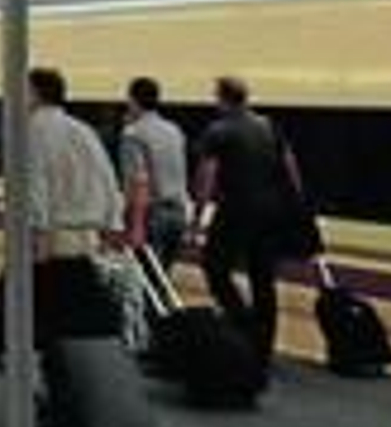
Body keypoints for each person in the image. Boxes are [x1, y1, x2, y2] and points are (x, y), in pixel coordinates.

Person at [192, 75, 305, 369]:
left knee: (215, 268)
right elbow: (291, 168)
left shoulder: (219, 130)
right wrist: (297, 207)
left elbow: (207, 176)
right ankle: (263, 348)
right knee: (263, 279)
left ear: (222, 99)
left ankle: (243, 325)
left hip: (236, 210)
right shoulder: (269, 126)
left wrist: (197, 216)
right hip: (272, 214)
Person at [26, 67, 125, 347]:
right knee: (76, 325)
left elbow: (35, 184)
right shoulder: (84, 130)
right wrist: (113, 225)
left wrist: (38, 235)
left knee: (46, 324)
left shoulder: (34, 129)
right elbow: (108, 179)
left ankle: (43, 380)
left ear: (35, 93)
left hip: (53, 241)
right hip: (86, 242)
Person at [119, 76, 190, 270]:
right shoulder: (173, 130)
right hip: (178, 213)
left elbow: (139, 181)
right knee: (163, 281)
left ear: (132, 100)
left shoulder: (133, 134)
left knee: (146, 283)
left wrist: (136, 225)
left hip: (151, 216)